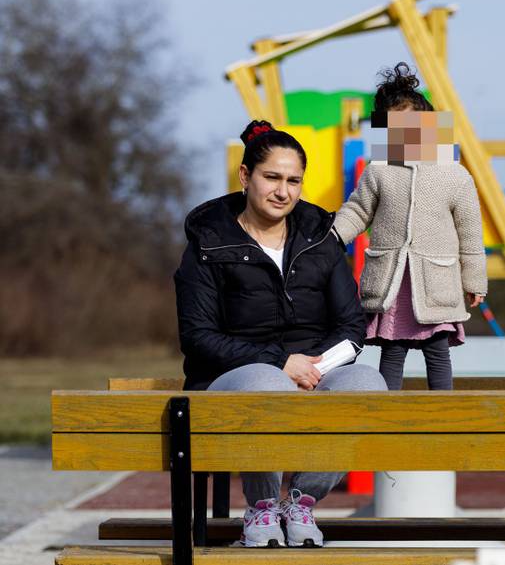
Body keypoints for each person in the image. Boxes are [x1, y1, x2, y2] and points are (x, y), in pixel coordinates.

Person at [174, 119, 387, 548]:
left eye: (293, 181)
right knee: (266, 380)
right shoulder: (208, 244)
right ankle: (262, 508)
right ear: (246, 176)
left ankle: (301, 502)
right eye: (272, 177)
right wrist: (280, 364)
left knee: (367, 382)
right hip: (232, 378)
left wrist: (315, 368)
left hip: (314, 367)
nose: (283, 191)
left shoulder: (320, 240)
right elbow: (198, 336)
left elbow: (351, 324)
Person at [333, 62, 487, 391]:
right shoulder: (379, 170)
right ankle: (388, 411)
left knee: (438, 351)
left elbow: (470, 232)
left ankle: (443, 412)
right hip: (392, 279)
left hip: (436, 280)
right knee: (392, 349)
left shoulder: (454, 175)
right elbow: (358, 210)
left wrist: (474, 280)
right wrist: (333, 236)